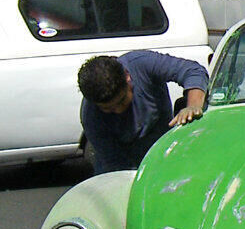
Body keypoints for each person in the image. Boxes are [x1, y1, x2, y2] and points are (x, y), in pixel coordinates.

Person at [77, 50, 209, 175]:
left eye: (122, 101)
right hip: (122, 167)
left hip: (163, 153)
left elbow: (193, 71)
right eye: (108, 109)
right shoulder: (91, 116)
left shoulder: (143, 64)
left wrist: (193, 106)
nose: (118, 110)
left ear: (128, 78)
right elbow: (115, 165)